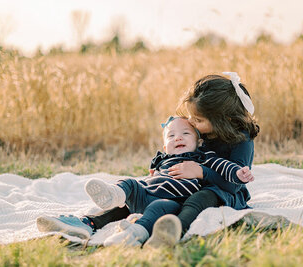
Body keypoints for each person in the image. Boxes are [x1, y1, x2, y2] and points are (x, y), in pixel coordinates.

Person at [37, 116, 253, 246]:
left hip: (172, 201)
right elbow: (150, 173)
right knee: (131, 183)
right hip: (145, 193)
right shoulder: (162, 159)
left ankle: (133, 234)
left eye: (186, 133)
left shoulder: (202, 157)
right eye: (171, 136)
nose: (178, 138)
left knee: (158, 208)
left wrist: (238, 173)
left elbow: (223, 166)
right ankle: (108, 199)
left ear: (198, 143)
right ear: (164, 144)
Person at [144, 72, 259, 248]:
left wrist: (201, 172)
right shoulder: (205, 131)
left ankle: (174, 231)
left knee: (201, 198)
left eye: (197, 119)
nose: (190, 121)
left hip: (224, 192)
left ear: (223, 120)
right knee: (159, 191)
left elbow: (233, 185)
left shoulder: (242, 141)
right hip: (195, 183)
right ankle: (145, 223)